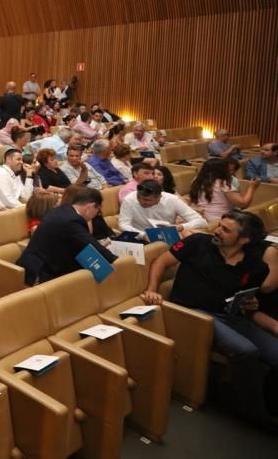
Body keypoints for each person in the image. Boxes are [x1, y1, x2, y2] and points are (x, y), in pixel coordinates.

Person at [141, 211, 277, 429]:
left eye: (225, 230)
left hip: (231, 315)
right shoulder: (197, 243)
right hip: (194, 313)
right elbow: (160, 262)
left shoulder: (255, 266)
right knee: (246, 351)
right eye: (219, 226)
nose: (217, 231)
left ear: (244, 239)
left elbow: (248, 300)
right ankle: (255, 413)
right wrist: (151, 289)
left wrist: (251, 305)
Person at [16, 187, 117, 284]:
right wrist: (116, 260)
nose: (96, 214)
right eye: (97, 210)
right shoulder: (72, 220)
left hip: (44, 262)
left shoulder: (64, 210)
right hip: (40, 271)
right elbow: (89, 244)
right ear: (90, 206)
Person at [118, 180, 208, 236]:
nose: (142, 202)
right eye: (138, 197)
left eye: (147, 200)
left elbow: (202, 222)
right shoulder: (129, 199)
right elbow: (123, 224)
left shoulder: (172, 200)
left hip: (167, 236)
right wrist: (142, 235)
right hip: (139, 236)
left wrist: (179, 227)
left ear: (159, 197)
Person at [189, 157, 260, 222]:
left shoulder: (196, 180)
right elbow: (243, 204)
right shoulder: (222, 183)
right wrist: (252, 187)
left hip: (198, 216)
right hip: (218, 220)